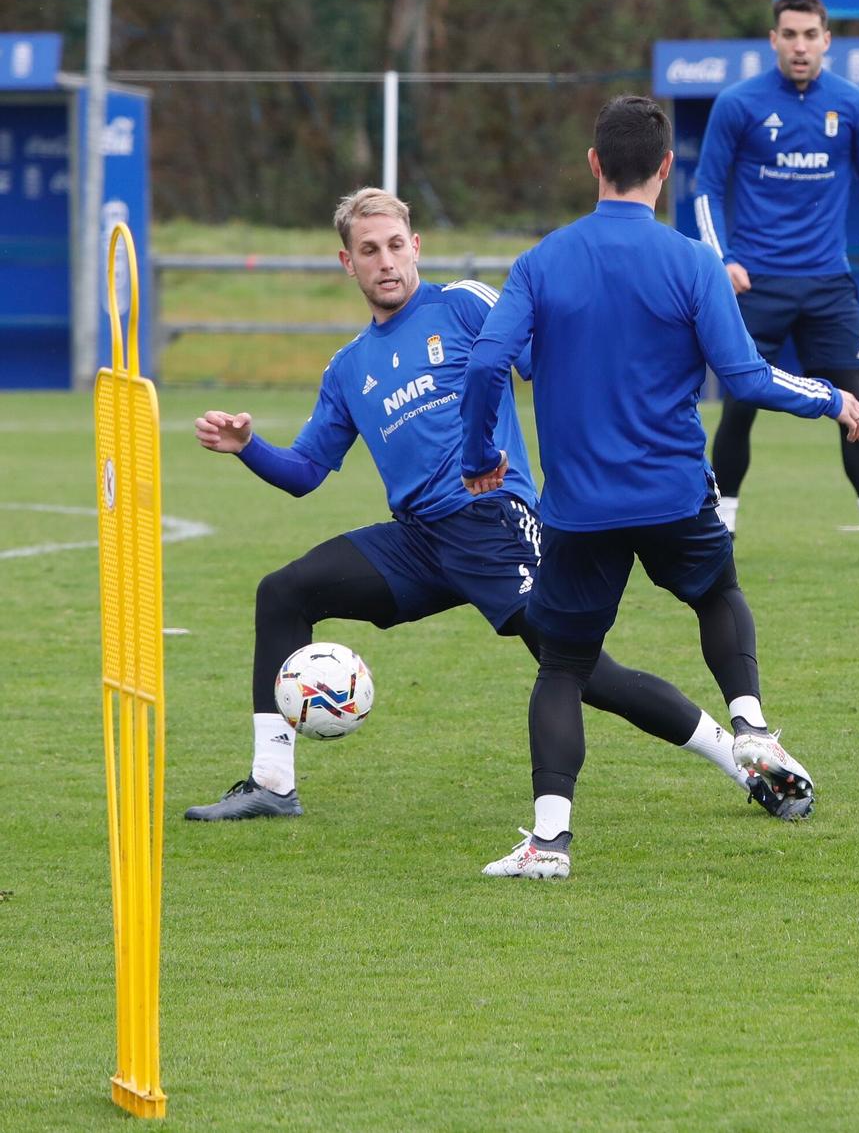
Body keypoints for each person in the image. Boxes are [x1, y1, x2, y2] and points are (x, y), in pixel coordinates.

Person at [184, 188, 791, 828]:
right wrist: (247, 446)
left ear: (415, 246)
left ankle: (744, 759)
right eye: (369, 251)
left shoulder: (466, 304)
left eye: (395, 245)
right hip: (416, 541)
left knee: (582, 671)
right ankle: (272, 784)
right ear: (347, 262)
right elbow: (305, 472)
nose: (385, 261)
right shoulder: (348, 367)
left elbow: (545, 358)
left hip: (493, 524)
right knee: (282, 592)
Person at [460, 95, 859, 880]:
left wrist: (483, 451)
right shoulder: (692, 261)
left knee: (562, 670)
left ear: (593, 164)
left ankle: (550, 841)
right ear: (667, 170)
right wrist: (828, 395)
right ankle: (748, 720)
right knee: (716, 593)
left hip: (578, 508)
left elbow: (486, 363)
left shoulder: (541, 261)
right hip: (675, 494)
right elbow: (744, 373)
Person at [692, 0, 859, 567]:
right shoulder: (738, 105)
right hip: (756, 285)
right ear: (773, 40)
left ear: (826, 41)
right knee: (740, 404)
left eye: (809, 35)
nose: (799, 46)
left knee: (855, 404)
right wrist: (721, 261)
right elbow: (705, 191)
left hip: (827, 285)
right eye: (788, 35)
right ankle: (722, 531)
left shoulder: (854, 105)